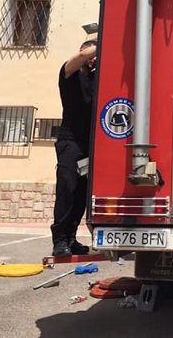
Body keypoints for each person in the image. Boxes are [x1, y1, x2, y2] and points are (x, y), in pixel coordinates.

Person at [50, 40, 97, 257]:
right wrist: (103, 39)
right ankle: (59, 240)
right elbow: (78, 59)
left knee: (81, 195)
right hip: (70, 143)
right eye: (92, 54)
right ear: (83, 53)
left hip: (89, 144)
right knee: (67, 190)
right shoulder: (69, 74)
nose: (95, 58)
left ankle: (71, 237)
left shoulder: (97, 79)